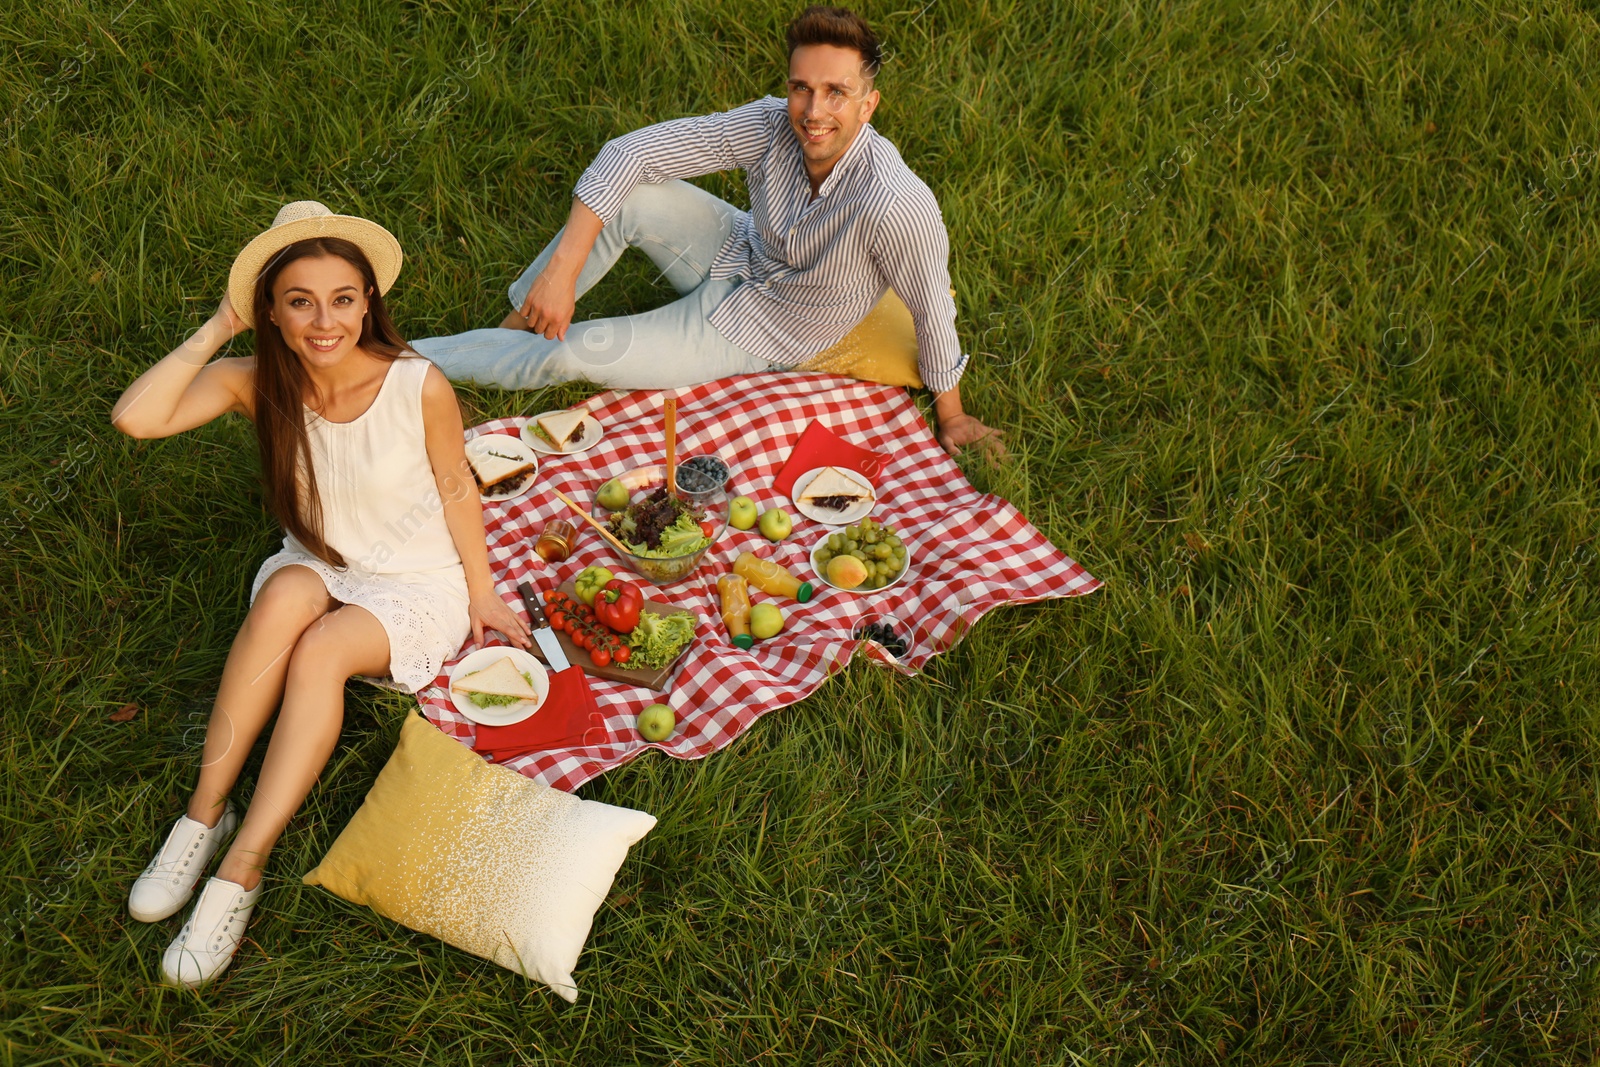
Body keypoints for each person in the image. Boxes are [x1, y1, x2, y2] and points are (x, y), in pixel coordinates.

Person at [110, 201, 530, 987]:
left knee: (322, 650)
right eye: (298, 300)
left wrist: (482, 592)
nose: (323, 320)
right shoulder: (253, 380)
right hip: (321, 558)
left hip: (414, 579)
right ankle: (204, 812)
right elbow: (135, 418)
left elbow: (455, 486)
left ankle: (243, 863)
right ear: (269, 309)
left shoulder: (416, 384)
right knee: (280, 604)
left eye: (342, 297)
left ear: (368, 300)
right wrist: (216, 328)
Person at [410, 5, 1005, 459]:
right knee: (631, 193)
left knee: (564, 359)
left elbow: (932, 310)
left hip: (763, 330)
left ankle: (401, 363)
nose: (813, 110)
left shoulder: (897, 206)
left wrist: (949, 415)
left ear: (868, 104)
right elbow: (630, 153)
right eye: (802, 87)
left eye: (836, 93)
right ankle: (520, 320)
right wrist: (561, 274)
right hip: (736, 248)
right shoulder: (773, 123)